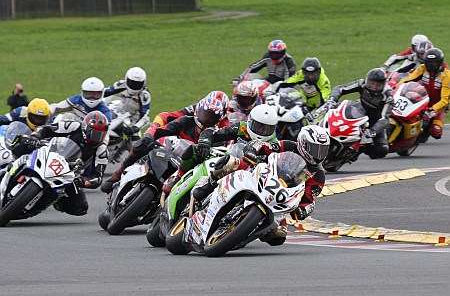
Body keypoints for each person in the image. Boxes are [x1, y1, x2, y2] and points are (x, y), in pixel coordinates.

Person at [191, 124, 330, 246]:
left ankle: (242, 235)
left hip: (280, 197)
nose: (318, 154)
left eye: (322, 150)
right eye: (315, 149)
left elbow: (309, 200)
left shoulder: (317, 174)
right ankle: (206, 187)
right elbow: (264, 146)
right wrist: (252, 151)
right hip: (260, 173)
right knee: (230, 163)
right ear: (303, 143)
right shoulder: (289, 146)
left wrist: (303, 210)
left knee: (278, 236)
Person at [101, 91, 230, 194]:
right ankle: (117, 174)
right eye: (205, 114)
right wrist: (152, 130)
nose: (206, 119)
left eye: (212, 117)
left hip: (195, 158)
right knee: (143, 144)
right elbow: (167, 116)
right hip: (177, 144)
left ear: (222, 115)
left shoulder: (225, 126)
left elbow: (228, 148)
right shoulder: (193, 112)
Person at [15, 111, 110, 216]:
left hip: (69, 172)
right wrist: (35, 137)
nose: (96, 138)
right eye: (94, 134)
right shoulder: (74, 126)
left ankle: (49, 202)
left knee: (80, 207)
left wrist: (83, 181)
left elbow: (98, 177)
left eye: (100, 135)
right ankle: (9, 167)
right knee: (23, 143)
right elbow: (46, 129)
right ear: (86, 128)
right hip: (50, 153)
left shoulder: (102, 149)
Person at [316, 68, 394, 159]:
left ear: (383, 84)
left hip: (375, 121)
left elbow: (385, 119)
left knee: (382, 149)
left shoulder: (388, 97)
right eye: (372, 83)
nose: (374, 87)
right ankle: (320, 132)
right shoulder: (362, 83)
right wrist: (332, 99)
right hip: (359, 111)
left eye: (377, 85)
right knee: (332, 111)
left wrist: (373, 131)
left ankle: (358, 149)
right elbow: (340, 88)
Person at [397, 47, 450, 142]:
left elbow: (445, 100)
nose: (430, 65)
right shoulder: (422, 68)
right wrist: (397, 87)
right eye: (428, 62)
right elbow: (408, 79)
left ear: (440, 62)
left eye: (433, 62)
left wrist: (433, 110)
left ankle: (427, 131)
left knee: (436, 132)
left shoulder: (446, 76)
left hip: (439, 106)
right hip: (423, 100)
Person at [103, 67, 151, 137]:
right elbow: (106, 92)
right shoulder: (121, 85)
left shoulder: (144, 96)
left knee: (135, 143)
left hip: (133, 121)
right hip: (119, 114)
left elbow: (145, 116)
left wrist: (135, 128)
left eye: (137, 84)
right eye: (132, 82)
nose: (134, 86)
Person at [232, 40, 297, 85]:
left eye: (277, 54)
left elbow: (288, 81)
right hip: (270, 81)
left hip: (283, 86)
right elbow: (254, 66)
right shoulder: (267, 57)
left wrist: (279, 88)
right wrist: (241, 78)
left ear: (283, 53)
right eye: (273, 54)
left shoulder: (289, 62)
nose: (274, 56)